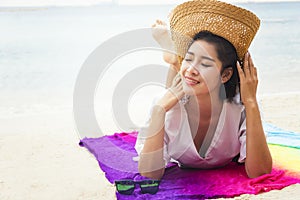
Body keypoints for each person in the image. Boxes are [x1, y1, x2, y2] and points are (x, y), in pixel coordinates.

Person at [135, 0, 272, 180]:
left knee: (191, 77)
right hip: (181, 99)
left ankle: (174, 57)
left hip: (220, 94)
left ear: (225, 75)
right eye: (188, 58)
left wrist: (252, 103)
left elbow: (259, 172)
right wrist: (159, 111)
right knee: (183, 82)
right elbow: (149, 175)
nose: (191, 67)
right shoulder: (164, 105)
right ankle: (174, 57)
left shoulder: (242, 106)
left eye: (206, 63)